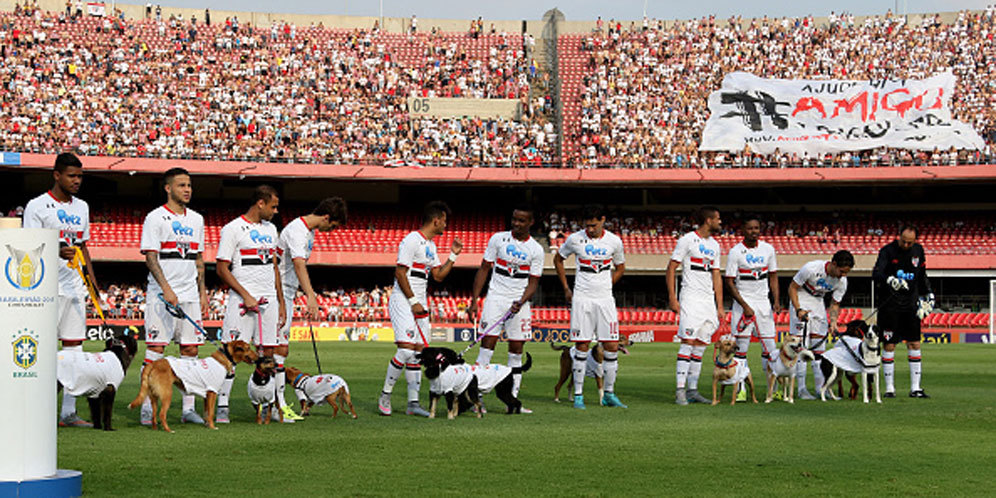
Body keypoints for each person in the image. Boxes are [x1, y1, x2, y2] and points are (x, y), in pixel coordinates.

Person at [23, 152, 100, 427]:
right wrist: (55, 248)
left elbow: (83, 247)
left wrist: (92, 285)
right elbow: (28, 245)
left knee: (74, 349)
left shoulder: (82, 207)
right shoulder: (37, 206)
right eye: (72, 176)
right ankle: (36, 409)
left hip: (75, 288)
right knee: (42, 349)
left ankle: (68, 411)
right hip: (46, 288)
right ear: (57, 175)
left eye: (80, 176)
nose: (77, 181)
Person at [378, 201, 462, 417]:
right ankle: (385, 395)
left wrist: (453, 255)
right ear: (436, 220)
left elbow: (438, 276)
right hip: (404, 300)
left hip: (420, 302)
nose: (446, 225)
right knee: (406, 350)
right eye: (444, 221)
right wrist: (414, 301)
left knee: (418, 354)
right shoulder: (411, 241)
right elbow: (400, 273)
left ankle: (413, 403)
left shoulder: (431, 246)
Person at [138, 167, 208, 425]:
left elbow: (199, 259)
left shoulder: (197, 220)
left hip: (190, 294)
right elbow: (150, 257)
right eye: (181, 185)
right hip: (161, 296)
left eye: (189, 185)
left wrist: (202, 292)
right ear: (168, 188)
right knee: (156, 349)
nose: (187, 189)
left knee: (190, 350)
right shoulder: (155, 218)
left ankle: (188, 408)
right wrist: (167, 289)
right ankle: (147, 406)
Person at [214, 186, 286, 423]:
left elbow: (274, 266)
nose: (276, 211)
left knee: (269, 354)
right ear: (260, 203)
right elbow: (222, 268)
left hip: (269, 301)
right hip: (241, 301)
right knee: (231, 353)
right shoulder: (232, 229)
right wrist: (245, 294)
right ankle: (222, 405)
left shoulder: (272, 229)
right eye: (273, 206)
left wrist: (281, 301)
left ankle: (270, 406)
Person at [467, 205, 544, 412]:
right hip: (496, 298)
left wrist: (522, 301)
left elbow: (533, 283)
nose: (516, 224)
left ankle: (513, 402)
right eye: (514, 219)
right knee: (486, 347)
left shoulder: (536, 249)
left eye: (521, 220)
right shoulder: (497, 239)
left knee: (516, 350)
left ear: (531, 222)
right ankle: (477, 400)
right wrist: (474, 300)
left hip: (520, 302)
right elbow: (484, 269)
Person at [277, 197, 348, 421]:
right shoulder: (298, 231)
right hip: (278, 293)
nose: (332, 231)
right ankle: (277, 406)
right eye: (333, 226)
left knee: (278, 351)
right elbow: (298, 264)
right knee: (277, 351)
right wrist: (310, 295)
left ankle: (276, 404)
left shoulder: (310, 232)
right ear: (326, 217)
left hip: (287, 292)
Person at [553, 205, 626, 409]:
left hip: (605, 299)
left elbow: (621, 267)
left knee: (611, 345)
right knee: (582, 345)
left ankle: (609, 394)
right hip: (582, 298)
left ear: (602, 220)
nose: (590, 229)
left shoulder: (614, 241)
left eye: (594, 225)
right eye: (587, 226)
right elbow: (558, 259)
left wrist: (608, 283)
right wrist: (566, 288)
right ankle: (578, 396)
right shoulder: (575, 239)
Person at [668, 207, 724, 405]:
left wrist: (719, 305)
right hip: (690, 298)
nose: (720, 222)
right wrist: (673, 298)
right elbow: (671, 267)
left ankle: (693, 389)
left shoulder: (715, 245)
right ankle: (680, 390)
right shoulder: (687, 240)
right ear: (708, 220)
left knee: (701, 346)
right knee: (687, 343)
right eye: (717, 218)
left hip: (708, 301)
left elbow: (716, 274)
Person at [872, 226, 933, 398]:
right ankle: (889, 388)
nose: (906, 245)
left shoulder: (918, 251)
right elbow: (876, 274)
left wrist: (928, 294)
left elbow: (921, 275)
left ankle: (915, 388)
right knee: (889, 344)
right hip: (889, 306)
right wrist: (890, 280)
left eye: (910, 242)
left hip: (910, 305)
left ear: (915, 241)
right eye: (903, 241)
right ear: (899, 237)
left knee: (914, 343)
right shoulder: (887, 251)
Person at [724, 214, 780, 399]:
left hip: (763, 304)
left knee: (770, 348)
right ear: (743, 230)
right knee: (741, 349)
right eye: (750, 228)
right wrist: (745, 305)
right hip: (743, 304)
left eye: (756, 228)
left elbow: (773, 276)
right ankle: (740, 389)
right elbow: (730, 282)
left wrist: (776, 301)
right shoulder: (735, 252)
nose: (754, 232)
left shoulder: (768, 249)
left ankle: (773, 390)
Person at [788, 250, 854, 400]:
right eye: (841, 271)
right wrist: (798, 309)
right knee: (801, 349)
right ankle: (802, 389)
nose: (842, 275)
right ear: (834, 264)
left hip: (819, 302)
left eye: (846, 273)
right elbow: (792, 287)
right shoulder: (811, 268)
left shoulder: (842, 281)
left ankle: (820, 389)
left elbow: (835, 303)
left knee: (819, 350)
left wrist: (833, 322)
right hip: (802, 298)